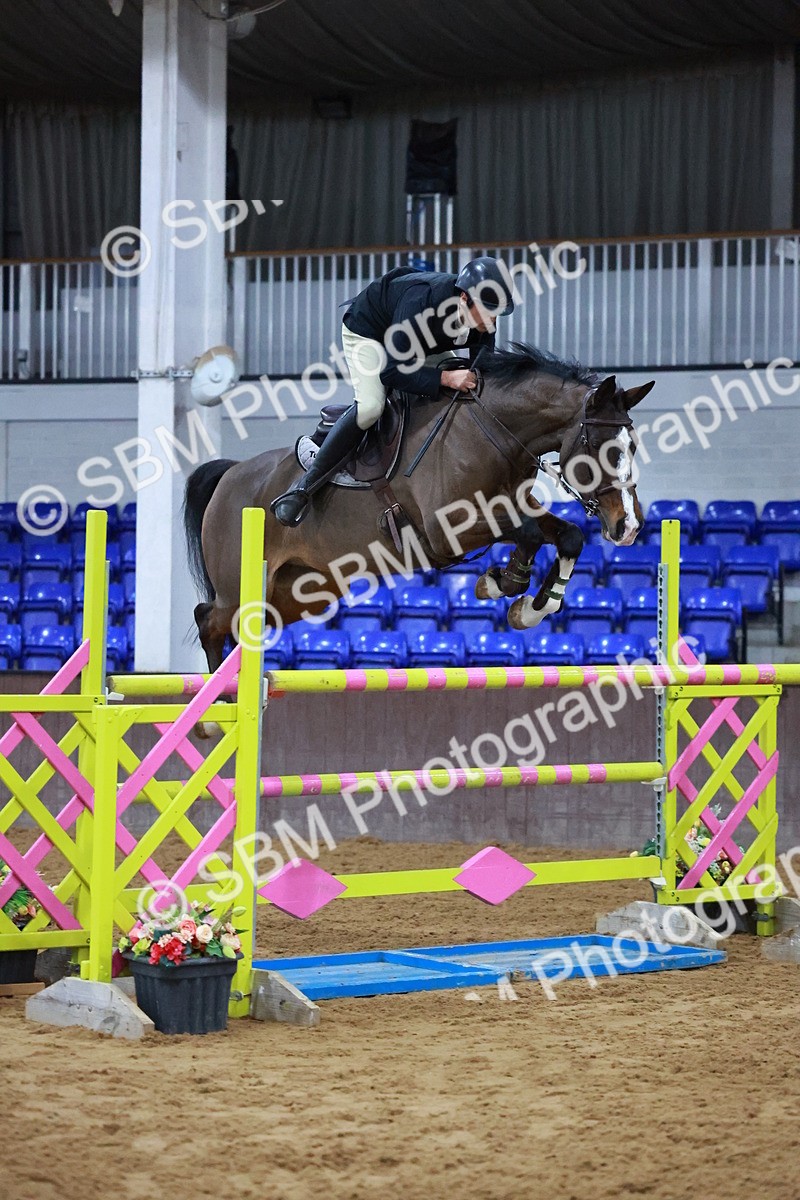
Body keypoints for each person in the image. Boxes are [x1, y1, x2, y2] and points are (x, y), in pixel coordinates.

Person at [270, 256, 515, 526]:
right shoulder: (421, 302)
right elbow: (391, 372)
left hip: (417, 342)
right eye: (488, 310)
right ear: (465, 298)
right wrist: (445, 377)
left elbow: (483, 369)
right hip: (370, 332)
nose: (493, 319)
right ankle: (304, 487)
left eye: (497, 312)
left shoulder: (484, 318)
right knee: (371, 407)